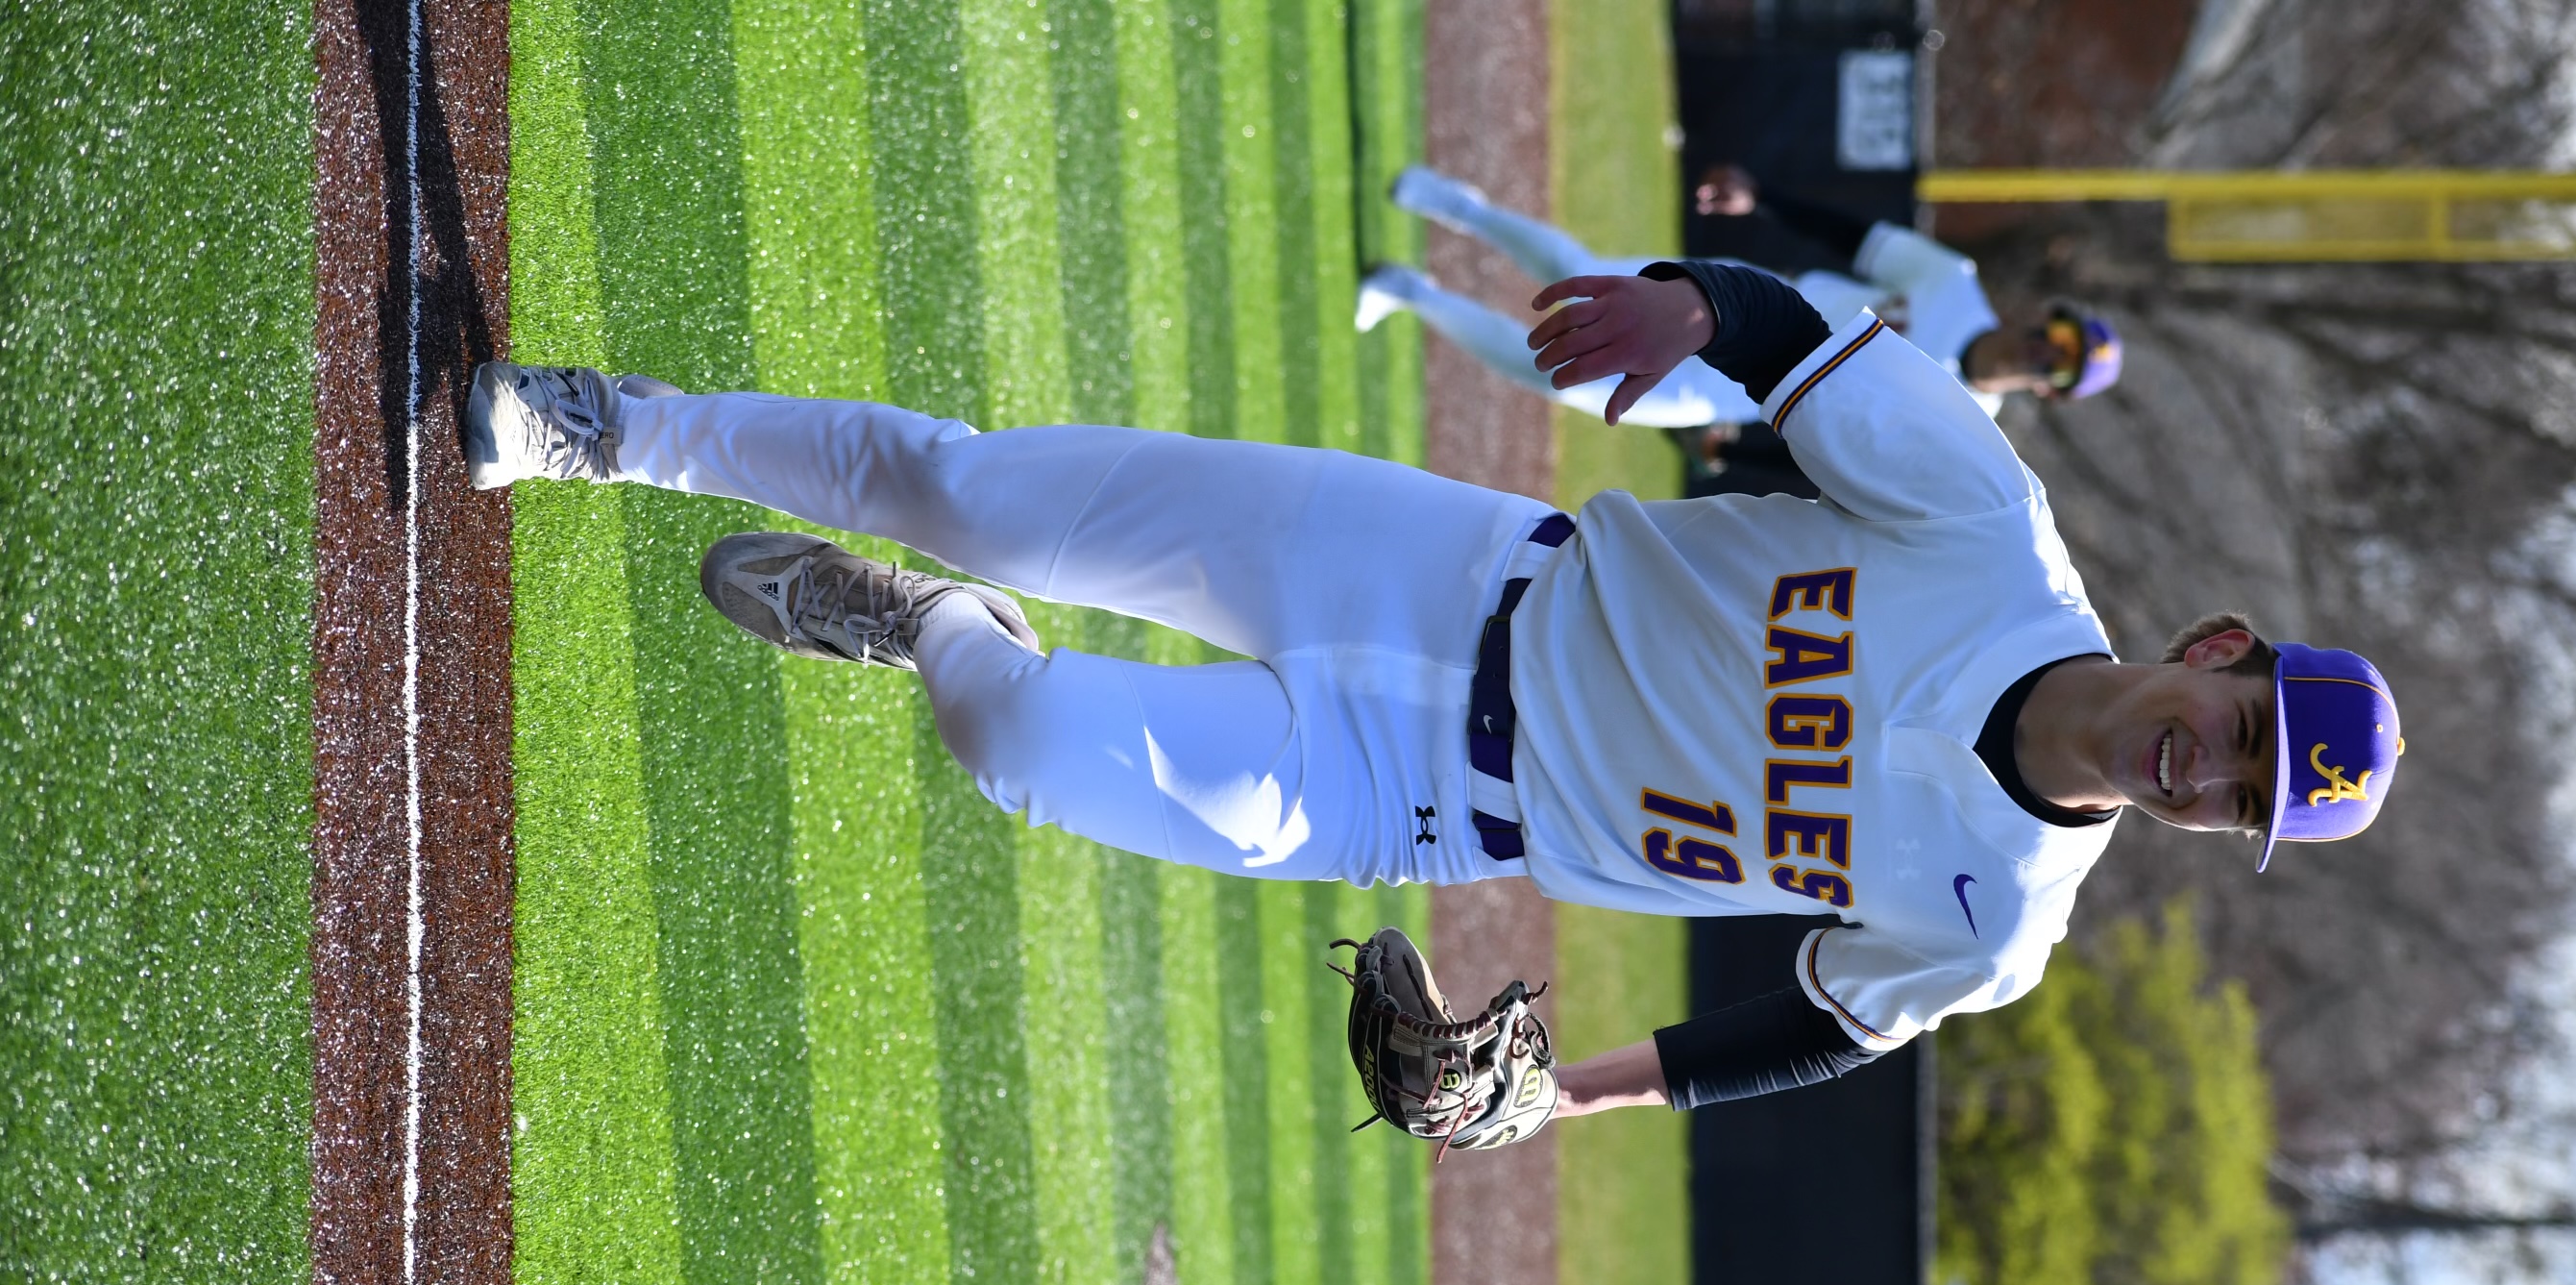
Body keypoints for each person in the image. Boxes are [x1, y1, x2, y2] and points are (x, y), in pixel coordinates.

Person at [462, 253, 2397, 1122]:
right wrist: (1695, 306)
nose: (2213, 772)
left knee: (1023, 735)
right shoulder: (1994, 528)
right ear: (2221, 653)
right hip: (1427, 563)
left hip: (1406, 799)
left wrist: (1572, 1095)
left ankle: (913, 631)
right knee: (981, 487)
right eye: (2248, 732)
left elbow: (1809, 1035)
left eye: (2244, 799)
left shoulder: (1998, 922)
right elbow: (1827, 349)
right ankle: (604, 427)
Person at [1355, 162, 2121, 428]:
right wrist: (1765, 199)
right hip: (1735, 304)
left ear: (2050, 393)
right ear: (2041, 319)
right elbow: (1857, 239)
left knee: (1559, 377)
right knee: (1587, 280)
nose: (2042, 350)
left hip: (1735, 393)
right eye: (2057, 334)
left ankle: (1412, 293)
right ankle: (1462, 207)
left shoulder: (1960, 422)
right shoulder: (1953, 283)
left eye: (2060, 364)